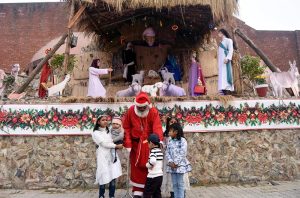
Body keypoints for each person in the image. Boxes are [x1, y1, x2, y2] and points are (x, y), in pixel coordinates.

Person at [123, 92, 164, 198]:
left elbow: (157, 127)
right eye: (139, 107)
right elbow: (126, 127)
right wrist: (128, 142)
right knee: (136, 168)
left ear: (147, 105)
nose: (141, 109)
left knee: (149, 167)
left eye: (143, 107)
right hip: (135, 146)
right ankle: (137, 190)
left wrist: (157, 142)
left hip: (148, 145)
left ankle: (148, 189)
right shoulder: (131, 110)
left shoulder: (153, 111)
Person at [92, 115, 123, 198]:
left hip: (112, 155)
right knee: (103, 175)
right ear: (98, 122)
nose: (105, 121)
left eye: (106, 120)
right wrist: (116, 146)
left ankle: (111, 195)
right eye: (103, 120)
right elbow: (104, 144)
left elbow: (118, 134)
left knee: (113, 175)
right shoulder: (95, 133)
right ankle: (101, 195)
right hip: (102, 156)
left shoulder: (108, 131)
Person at [162, 117, 190, 198]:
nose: (173, 123)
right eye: (171, 121)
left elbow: (183, 153)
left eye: (174, 122)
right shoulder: (170, 141)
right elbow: (167, 151)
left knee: (180, 184)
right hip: (171, 166)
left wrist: (176, 163)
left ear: (176, 131)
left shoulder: (183, 141)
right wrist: (171, 162)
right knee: (174, 184)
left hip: (179, 166)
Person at [144, 133, 164, 198]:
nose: (147, 144)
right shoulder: (160, 151)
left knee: (147, 193)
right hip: (159, 176)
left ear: (151, 143)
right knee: (157, 193)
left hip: (152, 176)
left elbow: (152, 161)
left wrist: (148, 165)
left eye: (148, 143)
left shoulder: (153, 151)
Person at [217, 28, 234, 95]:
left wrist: (227, 58)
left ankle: (226, 89)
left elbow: (231, 50)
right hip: (221, 62)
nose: (218, 34)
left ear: (222, 33)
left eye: (219, 33)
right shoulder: (221, 42)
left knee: (226, 75)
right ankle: (222, 89)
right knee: (222, 75)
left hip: (225, 61)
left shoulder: (228, 40)